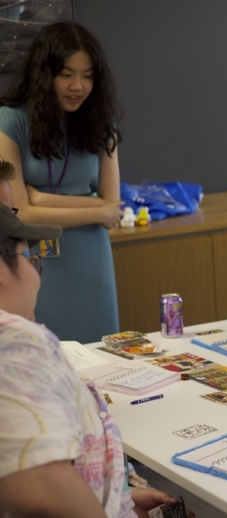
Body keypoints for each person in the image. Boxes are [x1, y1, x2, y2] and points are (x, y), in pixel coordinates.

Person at [0, 205, 192, 517]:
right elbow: (42, 489)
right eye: (31, 261)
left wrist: (120, 496)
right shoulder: (14, 338)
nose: (37, 276)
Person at [0, 21, 124, 343]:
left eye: (87, 75)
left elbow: (114, 209)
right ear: (45, 75)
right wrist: (96, 209)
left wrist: (40, 199)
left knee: (102, 366)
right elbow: (16, 214)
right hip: (36, 264)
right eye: (66, 74)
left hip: (92, 263)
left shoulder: (100, 123)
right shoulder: (10, 122)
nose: (77, 86)